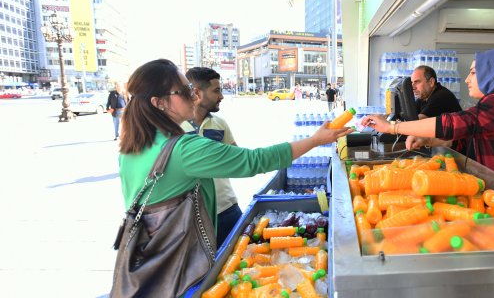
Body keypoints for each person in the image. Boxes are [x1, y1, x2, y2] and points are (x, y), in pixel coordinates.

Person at [119, 59, 352, 244]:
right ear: (158, 103)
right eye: (183, 90)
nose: (193, 95)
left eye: (191, 88)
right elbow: (253, 161)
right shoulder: (183, 149)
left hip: (149, 255)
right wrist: (314, 140)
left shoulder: (132, 146)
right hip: (178, 263)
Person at [362, 46, 494, 203]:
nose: (467, 79)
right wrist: (428, 140)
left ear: (493, 73)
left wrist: (392, 127)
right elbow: (467, 140)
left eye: (473, 72)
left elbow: (453, 124)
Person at [180, 67, 241, 247]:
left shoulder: (220, 124)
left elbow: (238, 160)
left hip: (227, 208)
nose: (221, 96)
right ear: (197, 92)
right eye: (216, 90)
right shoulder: (173, 128)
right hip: (191, 216)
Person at [410, 65, 465, 151]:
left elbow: (417, 122)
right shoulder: (423, 97)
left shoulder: (441, 96)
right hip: (442, 149)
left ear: (431, 82)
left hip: (457, 152)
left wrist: (393, 126)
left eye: (417, 82)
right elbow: (410, 116)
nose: (413, 87)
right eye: (412, 83)